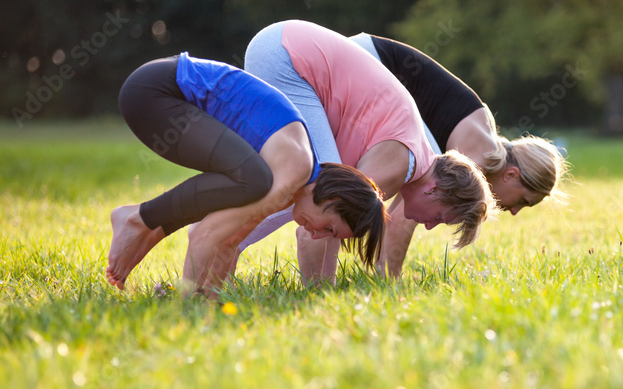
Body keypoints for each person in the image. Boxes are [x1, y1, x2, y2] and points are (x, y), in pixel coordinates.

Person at [236, 20, 495, 284]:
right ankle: (220, 242)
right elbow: (316, 221)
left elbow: (333, 225)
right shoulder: (399, 164)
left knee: (311, 187)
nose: (428, 226)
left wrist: (328, 285)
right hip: (287, 57)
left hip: (282, 48)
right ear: (435, 190)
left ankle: (219, 240)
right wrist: (317, 294)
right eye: (439, 218)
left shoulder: (413, 156)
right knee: (311, 188)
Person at [107, 52, 387, 292]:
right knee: (254, 181)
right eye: (329, 228)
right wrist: (188, 303)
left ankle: (147, 227)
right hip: (157, 92)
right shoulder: (293, 171)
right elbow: (205, 235)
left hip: (157, 92)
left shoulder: (291, 178)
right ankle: (139, 219)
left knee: (247, 184)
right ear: (333, 200)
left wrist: (212, 296)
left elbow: (229, 242)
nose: (316, 235)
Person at [348, 33, 570, 275]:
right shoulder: (477, 158)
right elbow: (404, 217)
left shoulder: (484, 140)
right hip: (368, 63)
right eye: (523, 202)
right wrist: (390, 281)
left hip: (365, 60)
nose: (515, 212)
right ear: (512, 175)